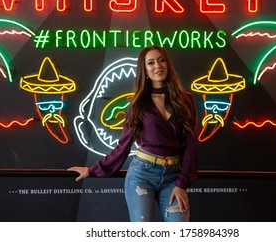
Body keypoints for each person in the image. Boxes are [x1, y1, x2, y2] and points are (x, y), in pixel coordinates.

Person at [68, 45, 198, 222]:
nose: (157, 66)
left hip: (173, 177)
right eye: (150, 63)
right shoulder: (137, 104)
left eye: (161, 60)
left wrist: (182, 183)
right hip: (142, 174)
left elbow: (190, 144)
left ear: (168, 64)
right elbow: (124, 145)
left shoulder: (185, 100)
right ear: (144, 70)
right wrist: (92, 170)